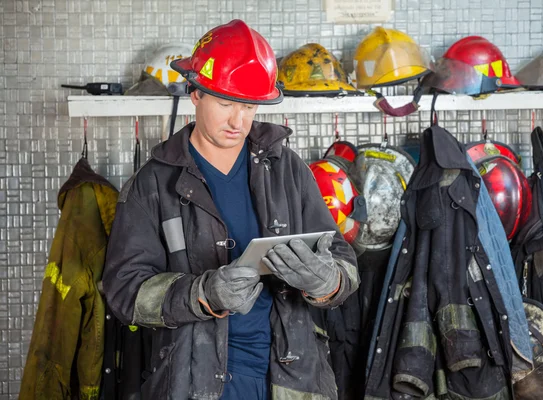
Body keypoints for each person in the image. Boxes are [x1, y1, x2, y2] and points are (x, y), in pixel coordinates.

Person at [103, 19, 359, 400]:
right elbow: (124, 290)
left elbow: (343, 261)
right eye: (225, 103)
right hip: (193, 382)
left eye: (249, 106)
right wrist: (202, 294)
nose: (238, 121)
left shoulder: (287, 169)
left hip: (292, 382)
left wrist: (327, 283)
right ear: (195, 94)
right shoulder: (153, 183)